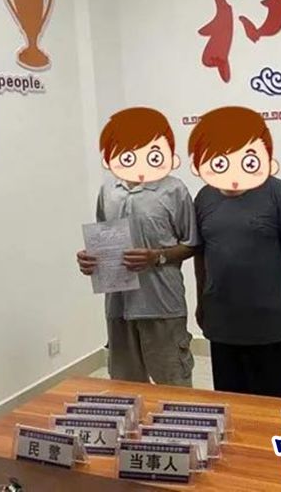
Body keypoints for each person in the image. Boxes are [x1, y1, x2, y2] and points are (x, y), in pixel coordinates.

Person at [189, 106, 281, 398]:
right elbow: (201, 256)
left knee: (274, 397)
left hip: (270, 319)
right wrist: (201, 301)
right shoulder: (204, 196)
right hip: (223, 318)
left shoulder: (277, 192)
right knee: (230, 398)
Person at [76, 107, 198, 386]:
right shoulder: (108, 191)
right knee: (126, 388)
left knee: (174, 388)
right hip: (119, 306)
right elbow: (102, 239)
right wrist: (90, 260)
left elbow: (192, 245)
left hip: (162, 304)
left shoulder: (174, 190)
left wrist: (157, 257)